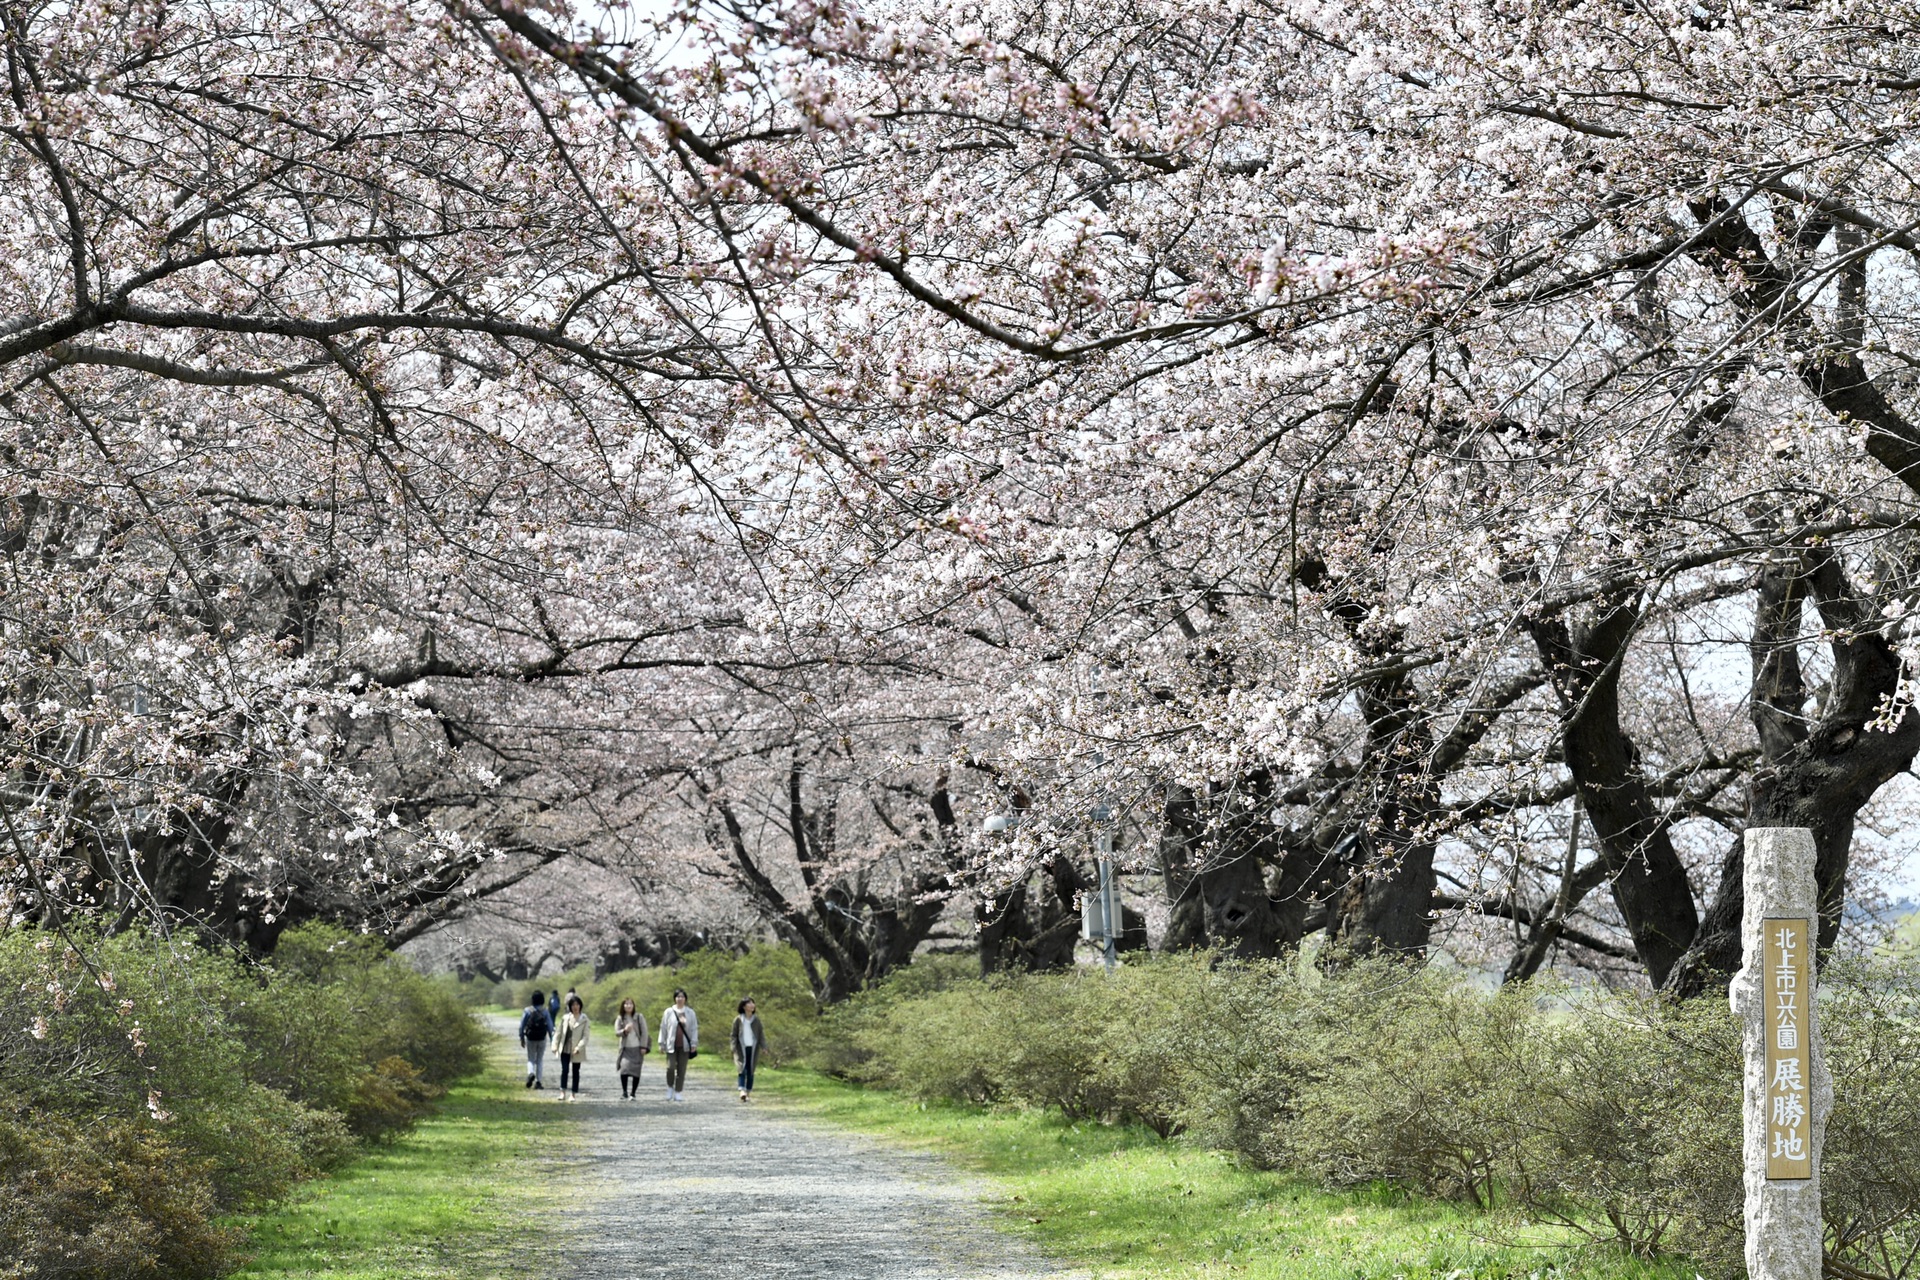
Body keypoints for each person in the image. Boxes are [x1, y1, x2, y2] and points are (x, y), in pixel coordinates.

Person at [657, 988, 698, 1101]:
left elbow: (694, 1029)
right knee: (670, 1068)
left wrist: (694, 1043)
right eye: (678, 996)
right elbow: (663, 1028)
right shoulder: (669, 1012)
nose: (680, 999)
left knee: (681, 1069)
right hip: (671, 1045)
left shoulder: (690, 1012)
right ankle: (670, 1087)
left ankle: (678, 1091)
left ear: (685, 999)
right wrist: (661, 1043)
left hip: (684, 1046)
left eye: (682, 997)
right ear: (675, 998)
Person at [556, 994, 590, 1101]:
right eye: (573, 1005)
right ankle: (562, 1092)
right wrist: (554, 1045)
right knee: (564, 1070)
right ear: (570, 1006)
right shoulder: (565, 1018)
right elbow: (558, 1033)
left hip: (577, 1050)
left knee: (576, 1071)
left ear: (580, 1006)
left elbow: (586, 1036)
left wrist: (579, 1047)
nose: (575, 1007)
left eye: (577, 1004)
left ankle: (573, 1094)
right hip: (565, 1047)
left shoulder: (584, 1019)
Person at [731, 998, 766, 1102]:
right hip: (741, 1048)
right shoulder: (738, 1020)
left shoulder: (756, 1020)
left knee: (750, 1070)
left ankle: (748, 1093)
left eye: (752, 1003)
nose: (752, 1005)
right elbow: (733, 1035)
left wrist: (764, 1047)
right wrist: (733, 1047)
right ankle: (742, 1090)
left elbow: (761, 1035)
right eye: (749, 1003)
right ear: (744, 1006)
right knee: (742, 1069)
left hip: (753, 1048)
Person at [614, 998, 648, 1099]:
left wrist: (643, 1046)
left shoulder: (639, 1017)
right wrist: (625, 1030)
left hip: (637, 1048)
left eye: (630, 1004)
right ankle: (624, 1092)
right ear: (623, 1006)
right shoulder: (620, 1018)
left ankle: (633, 1093)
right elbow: (616, 1032)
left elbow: (645, 1033)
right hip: (625, 1049)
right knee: (624, 1069)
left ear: (633, 1006)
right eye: (626, 1004)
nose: (628, 1006)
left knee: (636, 1072)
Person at [519, 991, 553, 1089]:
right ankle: (538, 1082)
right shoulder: (545, 1011)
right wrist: (552, 1039)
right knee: (539, 1060)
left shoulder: (527, 1010)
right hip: (542, 1038)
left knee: (531, 1059)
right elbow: (550, 1026)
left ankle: (530, 1073)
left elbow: (522, 1025)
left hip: (530, 1038)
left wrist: (521, 1037)